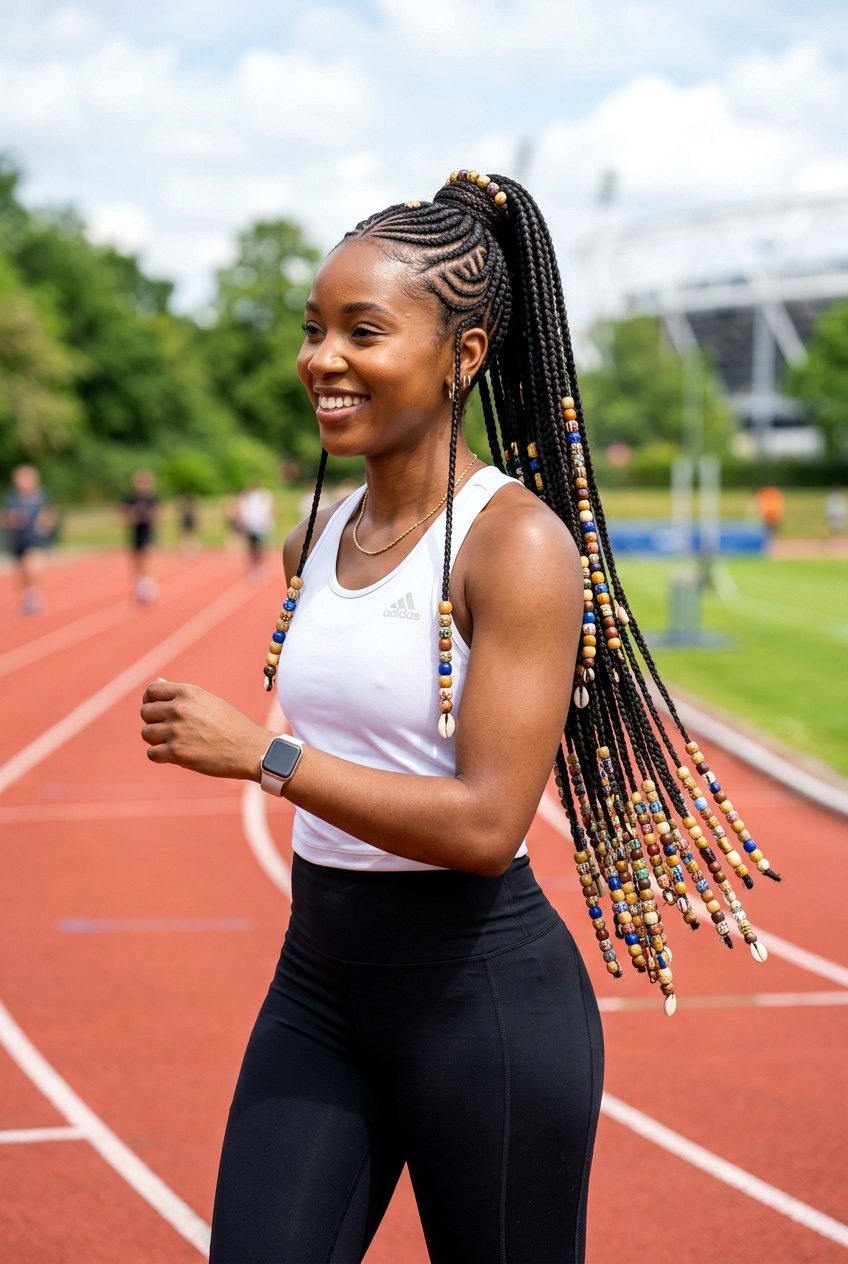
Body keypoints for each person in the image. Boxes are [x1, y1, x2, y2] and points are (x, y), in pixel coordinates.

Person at [140, 169, 779, 1263]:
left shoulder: (516, 547)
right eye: (312, 329)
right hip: (319, 982)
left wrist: (266, 757)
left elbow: (488, 825)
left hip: (478, 1003)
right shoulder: (316, 541)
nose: (321, 359)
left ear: (464, 356)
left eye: (362, 331)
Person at [2, 464, 56, 614]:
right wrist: (13, 519)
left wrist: (45, 524)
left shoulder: (41, 495)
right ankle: (28, 595)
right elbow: (7, 517)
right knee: (21, 572)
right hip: (18, 539)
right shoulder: (12, 497)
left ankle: (35, 594)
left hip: (35, 538)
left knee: (32, 565)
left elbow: (50, 512)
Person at [122, 468, 159, 602]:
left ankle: (148, 587)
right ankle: (138, 586)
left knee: (147, 559)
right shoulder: (130, 497)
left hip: (147, 532)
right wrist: (134, 516)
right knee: (136, 561)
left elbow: (157, 515)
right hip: (135, 532)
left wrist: (147, 516)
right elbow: (123, 515)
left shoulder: (152, 497)